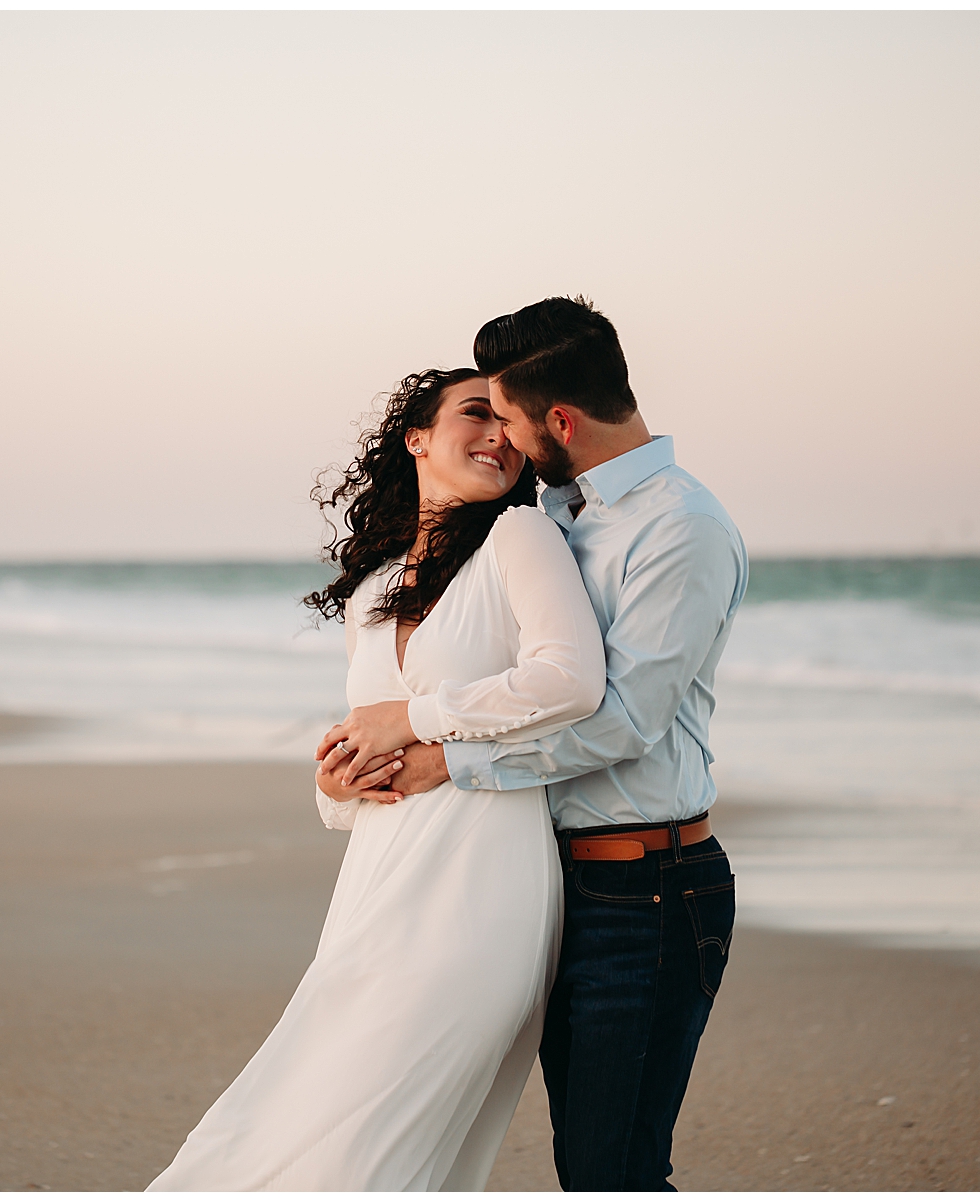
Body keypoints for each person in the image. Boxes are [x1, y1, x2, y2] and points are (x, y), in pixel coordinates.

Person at [146, 368, 606, 1191]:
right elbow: (364, 770)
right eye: (476, 414)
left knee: (375, 1128)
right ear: (417, 438)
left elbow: (569, 681)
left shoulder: (521, 538)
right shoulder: (372, 591)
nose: (499, 434)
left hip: (480, 888)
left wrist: (416, 719)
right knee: (304, 1103)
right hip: (375, 885)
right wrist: (334, 784)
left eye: (509, 421)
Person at [383, 297, 749, 1191]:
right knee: (584, 1164)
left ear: (559, 420)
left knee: (611, 1173)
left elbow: (622, 722)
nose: (499, 438)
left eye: (505, 416)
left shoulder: (681, 530)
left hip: (646, 896)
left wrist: (446, 758)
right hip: (549, 882)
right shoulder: (551, 513)